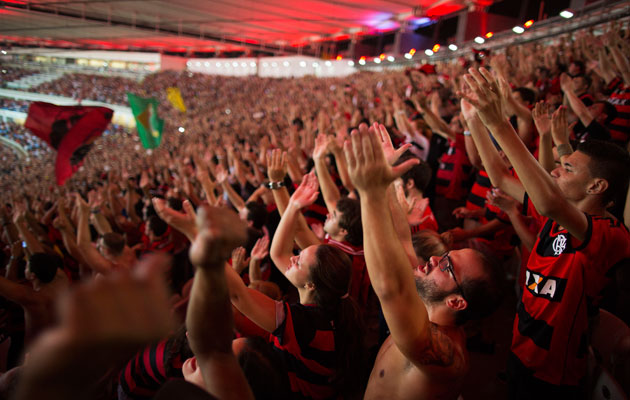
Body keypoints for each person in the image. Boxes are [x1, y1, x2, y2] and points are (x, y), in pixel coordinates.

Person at [460, 67, 630, 398]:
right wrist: (474, 120)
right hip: (522, 344)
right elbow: (497, 175)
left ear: (596, 186)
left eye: (567, 168)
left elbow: (550, 202)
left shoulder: (609, 233)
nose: (555, 168)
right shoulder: (558, 213)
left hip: (555, 371)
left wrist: (498, 122)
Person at [344, 123, 503, 400]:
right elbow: (404, 241)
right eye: (444, 257)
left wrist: (369, 192)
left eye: (447, 266)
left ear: (456, 302)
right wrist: (389, 180)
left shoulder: (446, 356)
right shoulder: (427, 300)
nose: (432, 260)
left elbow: (390, 288)